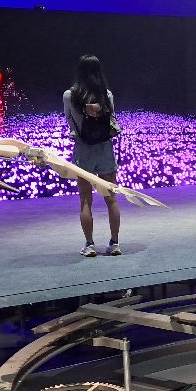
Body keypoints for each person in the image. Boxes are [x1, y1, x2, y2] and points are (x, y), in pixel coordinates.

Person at [63, 54, 121, 257]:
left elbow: (69, 120)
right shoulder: (107, 95)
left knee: (85, 201)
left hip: (83, 150)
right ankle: (114, 243)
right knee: (111, 199)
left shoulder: (70, 95)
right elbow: (112, 120)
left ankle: (89, 245)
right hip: (105, 149)